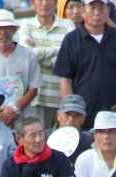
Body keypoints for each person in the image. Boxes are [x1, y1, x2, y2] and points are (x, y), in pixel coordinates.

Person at [54, 0, 116, 128]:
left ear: (108, 11)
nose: (97, 12)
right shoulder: (71, 40)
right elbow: (66, 79)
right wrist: (72, 112)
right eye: (92, 8)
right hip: (83, 114)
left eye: (101, 8)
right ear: (83, 10)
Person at [0, 114, 76, 177]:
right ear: (18, 139)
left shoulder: (59, 158)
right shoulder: (10, 165)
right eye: (32, 135)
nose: (38, 139)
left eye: (41, 134)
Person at [18, 0, 74, 130]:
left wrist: (38, 53)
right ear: (32, 3)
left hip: (61, 97)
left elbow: (71, 57)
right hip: (36, 98)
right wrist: (60, 49)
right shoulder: (26, 24)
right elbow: (28, 55)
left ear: (55, 3)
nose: (45, 3)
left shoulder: (67, 25)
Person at [73, 110, 116, 177]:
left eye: (111, 132)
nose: (106, 137)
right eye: (101, 132)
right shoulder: (85, 159)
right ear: (95, 136)